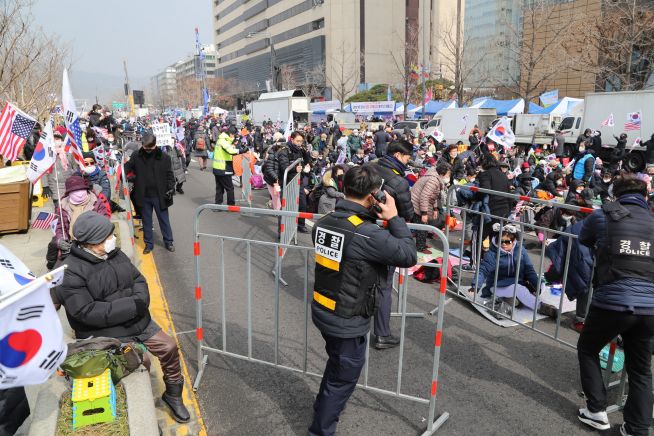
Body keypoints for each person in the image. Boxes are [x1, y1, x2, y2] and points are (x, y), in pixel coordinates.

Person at [309, 165, 417, 435]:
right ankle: (320, 428)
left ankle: (324, 406)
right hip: (347, 317)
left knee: (336, 367)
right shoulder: (366, 234)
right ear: (373, 196)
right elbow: (407, 254)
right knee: (343, 377)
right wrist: (393, 218)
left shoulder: (325, 221)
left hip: (325, 308)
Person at [54, 211, 190, 423]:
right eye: (107, 237)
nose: (112, 239)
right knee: (141, 361)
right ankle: (146, 417)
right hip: (106, 332)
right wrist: (131, 305)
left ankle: (173, 395)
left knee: (169, 347)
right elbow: (86, 311)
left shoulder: (115, 254)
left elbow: (138, 280)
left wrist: (139, 301)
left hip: (138, 320)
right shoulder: (69, 272)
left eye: (111, 235)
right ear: (90, 242)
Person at [576, 174, 654, 435]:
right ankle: (637, 428)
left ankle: (596, 410)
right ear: (645, 197)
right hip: (649, 307)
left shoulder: (604, 215)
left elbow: (583, 239)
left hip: (613, 300)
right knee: (641, 369)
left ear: (615, 195)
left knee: (588, 349)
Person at [371, 140, 414, 349]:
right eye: (407, 157)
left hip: (359, 230)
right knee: (384, 286)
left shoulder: (368, 168)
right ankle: (381, 334)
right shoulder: (399, 182)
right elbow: (407, 214)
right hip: (385, 237)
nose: (408, 162)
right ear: (398, 156)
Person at [468, 223, 559, 318]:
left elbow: (529, 269)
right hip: (497, 285)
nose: (503, 244)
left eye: (507, 242)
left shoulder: (520, 250)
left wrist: (537, 286)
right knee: (518, 289)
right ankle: (542, 307)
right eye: (501, 241)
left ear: (514, 240)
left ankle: (514, 300)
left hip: (518, 282)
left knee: (540, 284)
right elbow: (483, 270)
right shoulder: (492, 254)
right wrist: (476, 285)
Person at [125, 133, 176, 254]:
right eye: (145, 148)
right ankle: (148, 244)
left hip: (160, 195)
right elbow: (127, 167)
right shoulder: (136, 155)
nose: (147, 151)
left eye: (150, 149)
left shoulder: (164, 157)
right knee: (146, 221)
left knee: (164, 220)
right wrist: (122, 171)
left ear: (155, 145)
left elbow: (170, 175)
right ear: (142, 145)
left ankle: (168, 241)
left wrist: (170, 188)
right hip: (143, 194)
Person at [53, 175, 110, 263]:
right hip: (72, 247)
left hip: (94, 246)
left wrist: (95, 243)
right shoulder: (62, 207)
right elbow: (60, 227)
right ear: (68, 193)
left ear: (86, 189)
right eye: (74, 191)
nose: (79, 193)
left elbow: (104, 225)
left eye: (81, 189)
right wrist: (60, 240)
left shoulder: (96, 203)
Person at [411, 162, 451, 252]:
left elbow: (433, 196)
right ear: (442, 173)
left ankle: (422, 245)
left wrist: (435, 208)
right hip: (416, 204)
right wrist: (424, 213)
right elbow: (424, 196)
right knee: (422, 227)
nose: (449, 176)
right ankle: (420, 248)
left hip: (419, 203)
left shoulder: (434, 177)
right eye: (448, 174)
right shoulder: (433, 180)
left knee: (424, 226)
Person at [212, 126, 245, 207]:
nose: (234, 137)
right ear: (231, 134)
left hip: (218, 167)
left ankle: (218, 205)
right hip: (224, 167)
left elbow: (229, 148)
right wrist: (242, 150)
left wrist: (233, 143)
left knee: (219, 188)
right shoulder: (223, 141)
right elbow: (230, 151)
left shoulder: (221, 139)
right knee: (230, 188)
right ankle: (231, 205)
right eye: (234, 135)